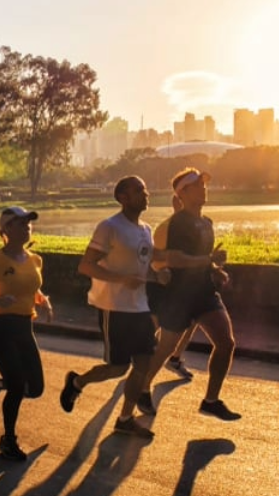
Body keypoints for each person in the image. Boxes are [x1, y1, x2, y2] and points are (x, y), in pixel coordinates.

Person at [59, 176, 164, 440]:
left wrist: (158, 275)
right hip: (114, 307)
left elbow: (142, 265)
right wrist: (119, 280)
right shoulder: (109, 227)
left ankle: (125, 418)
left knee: (144, 363)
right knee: (118, 368)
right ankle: (76, 382)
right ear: (123, 198)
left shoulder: (146, 230)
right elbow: (86, 265)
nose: (146, 193)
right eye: (139, 190)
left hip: (140, 307)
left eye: (145, 188)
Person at [140, 167, 239, 420]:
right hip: (178, 295)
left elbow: (200, 260)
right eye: (197, 185)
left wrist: (215, 270)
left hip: (205, 292)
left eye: (204, 184)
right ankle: (142, 387)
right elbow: (177, 259)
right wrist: (209, 260)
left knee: (226, 342)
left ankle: (211, 400)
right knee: (165, 348)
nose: (204, 189)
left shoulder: (206, 223)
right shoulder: (177, 225)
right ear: (182, 193)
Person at [0, 206, 53, 461]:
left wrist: (44, 301)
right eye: (19, 223)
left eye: (28, 222)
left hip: (24, 326)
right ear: (5, 230)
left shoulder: (35, 259)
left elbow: (31, 287)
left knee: (36, 387)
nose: (26, 226)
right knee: (18, 385)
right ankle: (8, 440)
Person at [146, 193, 198, 381]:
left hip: (184, 284)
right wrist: (163, 272)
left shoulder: (198, 225)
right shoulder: (165, 228)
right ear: (177, 203)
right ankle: (141, 358)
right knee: (156, 324)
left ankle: (174, 357)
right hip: (161, 282)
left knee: (192, 319)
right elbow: (154, 258)